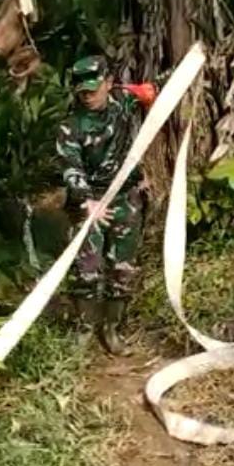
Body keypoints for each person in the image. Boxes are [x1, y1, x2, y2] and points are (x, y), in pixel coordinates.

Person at [56, 55, 169, 355]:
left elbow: (158, 88)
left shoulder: (122, 101)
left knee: (122, 267)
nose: (87, 95)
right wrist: (86, 202)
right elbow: (71, 169)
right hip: (89, 202)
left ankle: (112, 329)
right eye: (81, 90)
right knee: (87, 269)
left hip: (126, 198)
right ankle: (84, 328)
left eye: (93, 88)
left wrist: (149, 93)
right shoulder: (71, 126)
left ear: (108, 83)